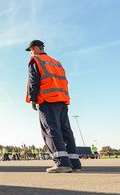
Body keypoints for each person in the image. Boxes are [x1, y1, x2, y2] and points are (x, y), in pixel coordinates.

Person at [25, 39, 82, 173]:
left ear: (36, 48)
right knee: (65, 131)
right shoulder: (57, 63)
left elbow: (34, 80)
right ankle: (74, 163)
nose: (30, 53)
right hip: (62, 100)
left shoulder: (36, 60)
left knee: (51, 130)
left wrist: (33, 99)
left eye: (31, 50)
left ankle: (62, 163)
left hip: (47, 100)